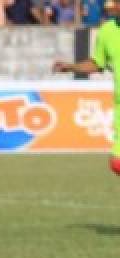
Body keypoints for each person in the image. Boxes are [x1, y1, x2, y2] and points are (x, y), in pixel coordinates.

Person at [53, 0, 120, 175]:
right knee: (117, 163)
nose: (111, 8)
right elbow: (97, 63)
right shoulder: (107, 31)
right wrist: (71, 67)